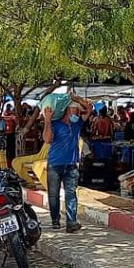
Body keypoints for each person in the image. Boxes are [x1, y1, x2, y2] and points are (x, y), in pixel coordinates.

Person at [43, 95, 93, 232]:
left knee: (71, 194)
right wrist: (47, 120)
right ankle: (55, 220)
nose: (77, 112)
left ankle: (71, 222)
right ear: (67, 110)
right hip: (55, 164)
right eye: (75, 109)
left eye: (78, 110)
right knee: (54, 195)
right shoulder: (55, 124)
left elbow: (89, 108)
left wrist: (76, 99)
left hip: (71, 165)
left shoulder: (77, 124)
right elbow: (47, 139)